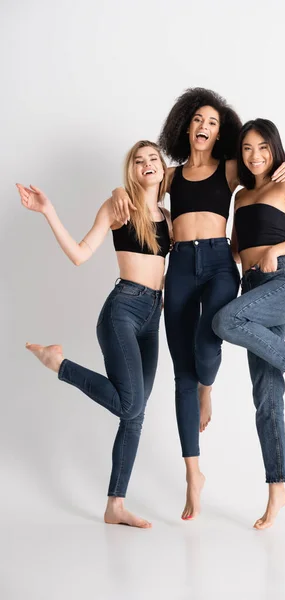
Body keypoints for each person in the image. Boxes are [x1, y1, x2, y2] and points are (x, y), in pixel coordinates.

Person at [110, 89, 285, 520]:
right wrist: (117, 192)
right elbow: (140, 186)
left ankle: (206, 389)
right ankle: (193, 474)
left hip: (217, 264)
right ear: (185, 125)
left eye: (213, 123)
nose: (204, 127)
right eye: (198, 119)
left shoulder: (230, 170)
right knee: (181, 373)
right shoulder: (171, 177)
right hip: (179, 268)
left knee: (210, 337)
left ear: (220, 133)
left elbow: (261, 166)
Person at [16, 141, 172, 528]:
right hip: (122, 310)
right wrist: (48, 211)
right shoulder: (120, 207)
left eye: (153, 159)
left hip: (153, 317)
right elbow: (80, 253)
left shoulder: (170, 218)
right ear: (131, 171)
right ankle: (58, 363)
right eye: (139, 161)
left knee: (134, 415)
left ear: (163, 169)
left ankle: (114, 506)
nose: (147, 164)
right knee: (131, 405)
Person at [211, 119, 285, 530]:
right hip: (253, 284)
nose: (255, 156)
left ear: (274, 149)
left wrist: (277, 248)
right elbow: (237, 252)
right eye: (246, 149)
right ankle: (278, 489)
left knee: (227, 320)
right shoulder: (239, 196)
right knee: (266, 395)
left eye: (262, 147)